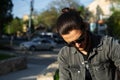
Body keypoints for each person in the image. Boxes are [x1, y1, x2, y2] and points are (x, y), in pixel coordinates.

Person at [56, 8, 120, 80]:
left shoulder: (108, 44)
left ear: (85, 27)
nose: (77, 45)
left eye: (80, 39)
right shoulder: (64, 55)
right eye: (71, 43)